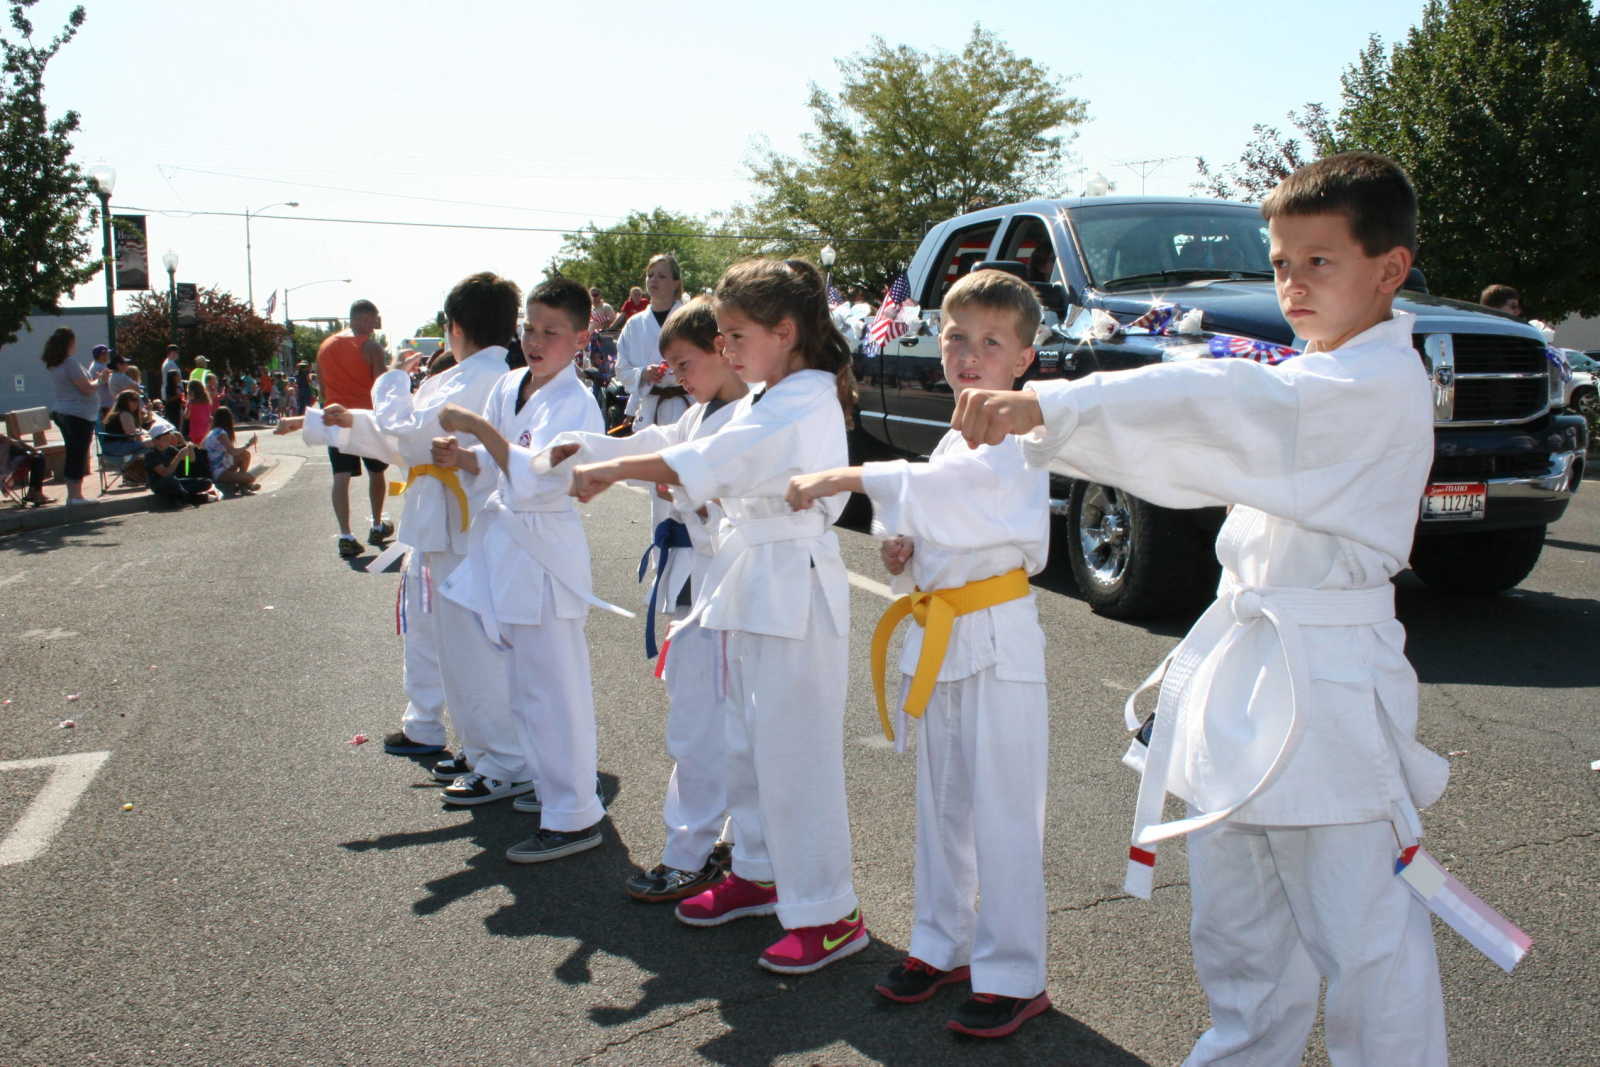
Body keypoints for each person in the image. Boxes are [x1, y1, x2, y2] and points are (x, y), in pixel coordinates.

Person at [950, 152, 1451, 1065]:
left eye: (1320, 261)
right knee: (1241, 935)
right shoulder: (1318, 370)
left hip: (1328, 691)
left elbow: (1224, 403)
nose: (1293, 284)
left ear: (1390, 269)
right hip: (1250, 679)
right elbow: (1215, 421)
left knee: (1365, 941)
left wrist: (1049, 408)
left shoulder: (1371, 384)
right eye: (1281, 262)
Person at [569, 258, 865, 975]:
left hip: (791, 581)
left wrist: (610, 469)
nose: (725, 348)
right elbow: (684, 445)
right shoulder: (773, 393)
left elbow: (712, 456)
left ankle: (831, 912)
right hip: (751, 575)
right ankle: (760, 872)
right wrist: (598, 453)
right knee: (746, 742)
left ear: (784, 331)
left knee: (796, 754)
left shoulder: (803, 398)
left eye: (735, 334)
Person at [786, 268, 1052, 1038]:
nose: (970, 355)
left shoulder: (1021, 436)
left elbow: (955, 496)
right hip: (944, 635)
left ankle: (1014, 972)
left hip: (998, 641)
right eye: (956, 338)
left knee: (1003, 810)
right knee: (943, 804)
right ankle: (943, 942)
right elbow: (935, 515)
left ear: (1024, 360)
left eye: (992, 343)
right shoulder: (949, 437)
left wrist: (846, 475)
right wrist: (904, 549)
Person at [549, 299, 746, 903]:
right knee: (705, 721)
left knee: (707, 725)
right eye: (672, 367)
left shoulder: (752, 418)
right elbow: (652, 444)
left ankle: (695, 851)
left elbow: (695, 478)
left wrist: (671, 486)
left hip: (729, 587)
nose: (677, 378)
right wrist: (583, 447)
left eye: (686, 364)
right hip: (693, 582)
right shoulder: (700, 415)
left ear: (723, 349)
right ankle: (727, 845)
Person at [309, 272, 522, 768]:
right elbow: (404, 438)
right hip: (437, 517)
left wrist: (388, 378)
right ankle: (431, 725)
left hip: (461, 521)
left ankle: (491, 751)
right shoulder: (469, 374)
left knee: (467, 641)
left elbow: (408, 432)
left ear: (455, 326)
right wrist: (345, 423)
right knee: (428, 628)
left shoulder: (482, 377)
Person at [430, 276, 613, 854]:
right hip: (503, 547)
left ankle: (574, 813)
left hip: (545, 551)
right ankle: (542, 780)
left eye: (551, 332)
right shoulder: (510, 385)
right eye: (530, 328)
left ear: (580, 340)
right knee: (520, 682)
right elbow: (494, 464)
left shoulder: (577, 403)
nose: (535, 341)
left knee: (553, 688)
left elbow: (541, 478)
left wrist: (477, 432)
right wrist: (464, 456)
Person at [317, 299, 394, 558]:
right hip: (365, 418)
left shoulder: (326, 346)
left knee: (341, 476)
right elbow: (382, 386)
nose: (374, 325)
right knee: (377, 472)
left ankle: (345, 535)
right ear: (363, 318)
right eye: (373, 320)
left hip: (336, 417)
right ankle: (376, 524)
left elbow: (322, 389)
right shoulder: (370, 347)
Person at [41, 327, 107, 505]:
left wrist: (94, 380)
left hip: (65, 411)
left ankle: (73, 495)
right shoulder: (69, 362)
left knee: (73, 453)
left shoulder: (55, 363)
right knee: (78, 453)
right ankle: (75, 496)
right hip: (77, 414)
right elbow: (86, 388)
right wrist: (100, 380)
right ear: (69, 342)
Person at [140, 418, 216, 506]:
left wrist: (190, 449)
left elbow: (191, 460)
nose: (168, 441)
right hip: (160, 484)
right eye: (165, 439)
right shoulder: (151, 454)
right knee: (170, 480)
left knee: (206, 482)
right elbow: (165, 473)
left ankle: (183, 498)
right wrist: (179, 456)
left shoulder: (170, 449)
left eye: (168, 438)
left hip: (176, 482)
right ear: (155, 441)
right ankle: (192, 498)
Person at [202, 407, 259, 493]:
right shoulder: (221, 433)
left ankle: (242, 485)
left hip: (221, 465)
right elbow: (233, 451)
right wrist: (249, 444)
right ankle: (243, 484)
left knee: (245, 454)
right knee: (251, 478)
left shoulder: (212, 431)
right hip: (217, 471)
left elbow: (231, 452)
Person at [1, 431, 53, 506]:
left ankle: (34, 493)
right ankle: (35, 493)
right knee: (38, 459)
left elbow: (16, 443)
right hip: (8, 469)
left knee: (38, 458)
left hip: (14, 464)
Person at [184, 378, 214, 445]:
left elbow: (186, 416)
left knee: (196, 448)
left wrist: (188, 401)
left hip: (195, 430)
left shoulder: (191, 403)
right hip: (206, 429)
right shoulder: (207, 401)